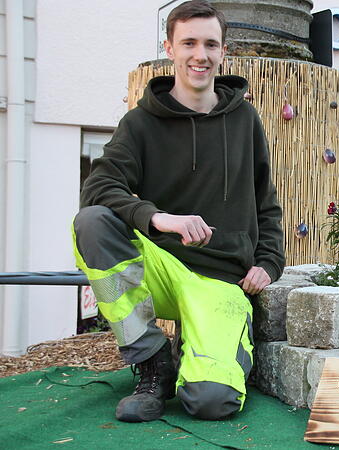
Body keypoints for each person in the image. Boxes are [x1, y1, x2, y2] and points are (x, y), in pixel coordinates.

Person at [72, 0, 285, 422]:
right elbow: (98, 187)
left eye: (210, 44)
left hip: (220, 278)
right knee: (92, 223)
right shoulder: (140, 123)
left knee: (211, 402)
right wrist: (156, 217)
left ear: (224, 51)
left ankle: (200, 358)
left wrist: (269, 262)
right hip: (158, 270)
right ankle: (152, 361)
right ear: (170, 48)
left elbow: (266, 201)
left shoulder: (244, 119)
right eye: (188, 42)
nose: (199, 55)